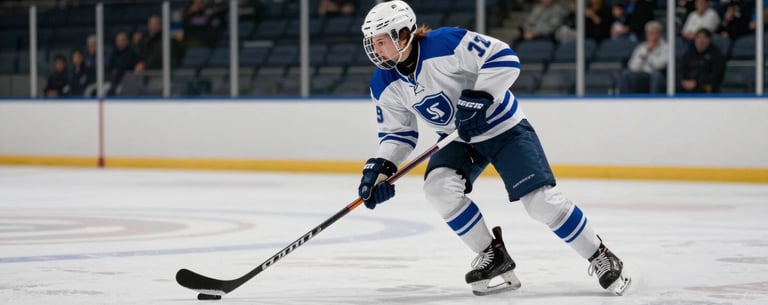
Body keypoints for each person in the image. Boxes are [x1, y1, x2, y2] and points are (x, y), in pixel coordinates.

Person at [357, 0, 631, 296]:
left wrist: (479, 96)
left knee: (541, 203)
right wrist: (382, 169)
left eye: (381, 41)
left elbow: (504, 57)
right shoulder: (382, 82)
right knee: (438, 188)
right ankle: (494, 255)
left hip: (504, 128)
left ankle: (600, 255)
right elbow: (398, 134)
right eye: (372, 42)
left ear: (402, 34)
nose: (376, 49)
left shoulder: (446, 43)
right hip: (459, 138)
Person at [618, 21, 668, 93]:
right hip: (641, 75)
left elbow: (659, 66)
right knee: (625, 75)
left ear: (659, 34)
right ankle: (625, 100)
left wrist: (651, 52)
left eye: (655, 32)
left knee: (656, 76)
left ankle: (654, 101)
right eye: (650, 33)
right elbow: (632, 67)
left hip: (657, 75)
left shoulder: (666, 47)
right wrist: (646, 52)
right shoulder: (641, 47)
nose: (652, 35)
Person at [678, 28, 725, 93]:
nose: (700, 41)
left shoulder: (716, 55)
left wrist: (696, 82)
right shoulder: (689, 53)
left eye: (704, 38)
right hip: (687, 83)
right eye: (698, 38)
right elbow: (681, 68)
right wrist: (683, 81)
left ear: (709, 40)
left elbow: (716, 75)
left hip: (704, 85)